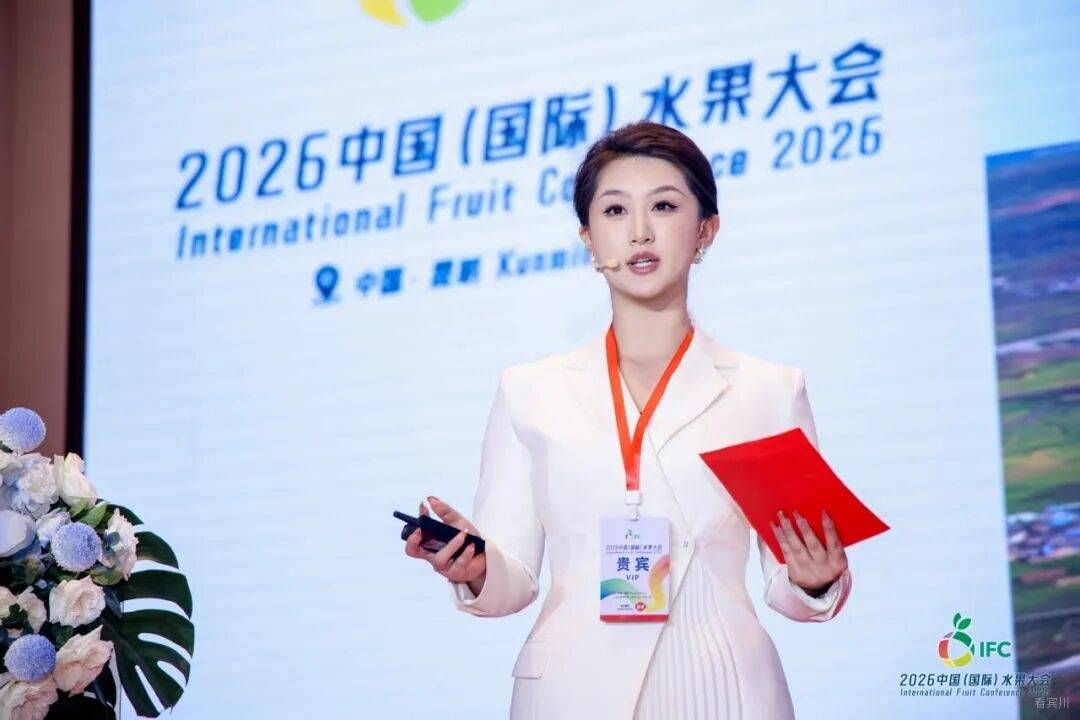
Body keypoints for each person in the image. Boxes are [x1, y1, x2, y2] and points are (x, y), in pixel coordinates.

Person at [402, 120, 853, 719]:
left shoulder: (768, 391)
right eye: (615, 210)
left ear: (706, 230)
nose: (640, 231)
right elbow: (514, 581)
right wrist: (478, 566)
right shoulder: (529, 391)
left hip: (723, 689)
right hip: (570, 695)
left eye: (664, 206)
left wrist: (814, 579)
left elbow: (789, 585)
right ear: (589, 238)